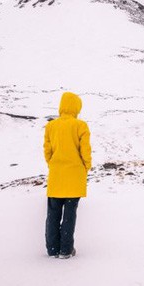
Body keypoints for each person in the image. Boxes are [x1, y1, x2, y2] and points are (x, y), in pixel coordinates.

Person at [43, 91, 92, 259]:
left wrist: (53, 164)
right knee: (70, 214)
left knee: (53, 214)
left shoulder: (51, 126)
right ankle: (65, 249)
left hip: (56, 176)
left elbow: (47, 151)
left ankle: (52, 249)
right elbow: (85, 150)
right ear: (76, 107)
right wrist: (86, 167)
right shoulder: (80, 126)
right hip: (75, 176)